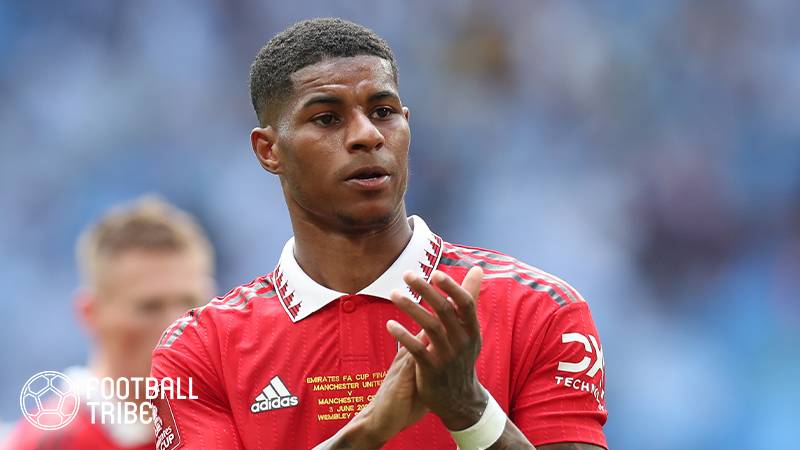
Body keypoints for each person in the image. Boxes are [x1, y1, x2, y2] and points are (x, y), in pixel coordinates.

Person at [150, 18, 607, 450]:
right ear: (269, 150)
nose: (367, 135)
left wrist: (470, 410)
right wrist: (368, 433)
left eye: (383, 112)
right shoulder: (200, 350)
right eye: (327, 118)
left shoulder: (538, 310)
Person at [5, 197, 216, 449]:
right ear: (91, 314)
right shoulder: (53, 442)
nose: (177, 326)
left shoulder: (231, 423)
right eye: (150, 307)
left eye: (191, 303)